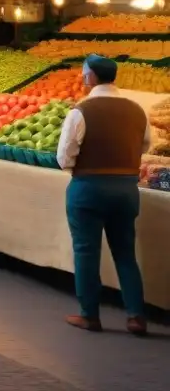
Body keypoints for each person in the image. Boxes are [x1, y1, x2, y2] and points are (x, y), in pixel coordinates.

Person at [58, 55, 149, 335]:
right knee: (125, 253)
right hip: (126, 189)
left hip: (88, 188)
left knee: (86, 251)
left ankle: (90, 315)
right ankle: (136, 316)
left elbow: (64, 157)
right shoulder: (137, 110)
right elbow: (145, 145)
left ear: (91, 77)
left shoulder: (81, 110)